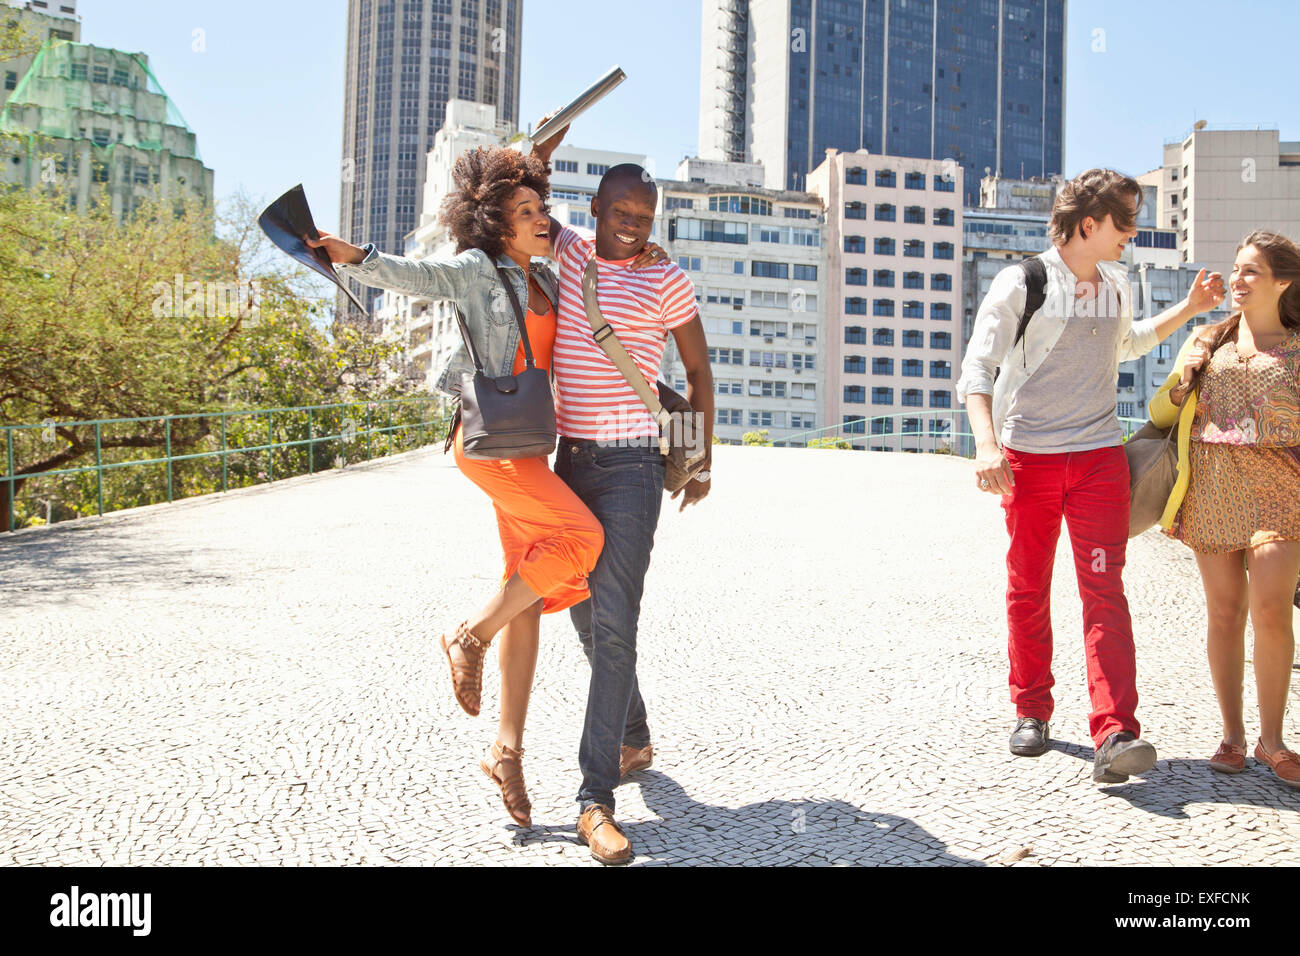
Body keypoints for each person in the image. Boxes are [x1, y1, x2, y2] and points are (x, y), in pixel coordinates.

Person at [306, 134, 666, 829]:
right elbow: (420, 276)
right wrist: (357, 257)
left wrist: (641, 253)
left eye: (541, 206)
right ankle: (468, 634)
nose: (540, 217)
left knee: (528, 587)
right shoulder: (479, 268)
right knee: (583, 539)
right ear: (498, 220)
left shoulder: (553, 276)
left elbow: (602, 282)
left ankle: (506, 751)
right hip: (490, 443)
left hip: (530, 445)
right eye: (526, 208)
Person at [956, 168, 1225, 784]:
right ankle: (1031, 709)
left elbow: (1126, 345)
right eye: (1125, 221)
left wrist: (1190, 308)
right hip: (1029, 461)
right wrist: (986, 446)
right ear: (1089, 224)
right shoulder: (1021, 282)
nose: (1133, 231)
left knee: (1104, 590)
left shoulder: (1115, 283)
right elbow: (978, 369)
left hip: (1100, 459)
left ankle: (1114, 730)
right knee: (1029, 585)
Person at [547, 164, 714, 864]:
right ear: (595, 207)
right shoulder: (570, 252)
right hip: (569, 463)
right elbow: (515, 185)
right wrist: (542, 141)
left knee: (615, 625)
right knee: (585, 616)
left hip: (633, 468)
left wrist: (699, 457)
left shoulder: (666, 280)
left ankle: (595, 800)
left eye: (643, 217)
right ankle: (635, 733)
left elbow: (699, 371)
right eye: (620, 212)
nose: (631, 225)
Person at [1148, 229, 1300, 790]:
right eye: (1236, 269)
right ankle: (1233, 737)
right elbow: (1159, 411)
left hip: (1281, 489)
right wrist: (1183, 377)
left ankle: (1274, 740)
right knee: (1224, 615)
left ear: (1283, 281)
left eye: (1251, 271)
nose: (1237, 279)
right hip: (1212, 485)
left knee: (1272, 612)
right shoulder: (1208, 340)